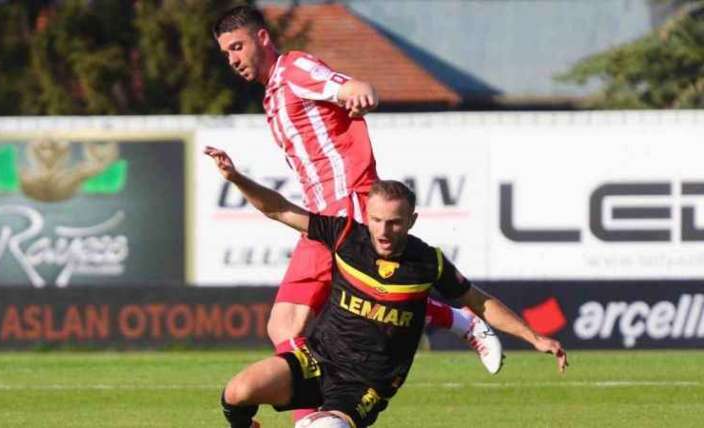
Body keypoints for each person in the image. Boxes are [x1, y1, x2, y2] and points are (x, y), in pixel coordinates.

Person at [212, 6, 503, 393]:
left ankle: (460, 323)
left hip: (348, 204)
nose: (232, 59)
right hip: (322, 218)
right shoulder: (273, 96)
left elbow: (346, 86)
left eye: (237, 46)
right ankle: (314, 415)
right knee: (284, 325)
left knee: (325, 314)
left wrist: (358, 92)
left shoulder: (294, 69)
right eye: (226, 53)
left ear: (262, 38)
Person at [205, 146, 568, 428]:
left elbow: (481, 302)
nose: (383, 231)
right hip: (317, 359)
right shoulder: (346, 235)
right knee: (237, 393)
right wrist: (236, 178)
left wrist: (534, 337)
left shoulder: (428, 262)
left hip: (365, 383)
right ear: (367, 214)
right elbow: (279, 209)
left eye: (394, 223)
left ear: (411, 220)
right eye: (376, 220)